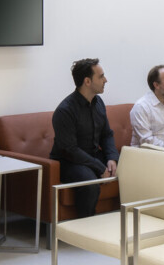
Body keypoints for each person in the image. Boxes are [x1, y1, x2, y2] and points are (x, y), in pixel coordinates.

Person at [50, 58, 118, 218]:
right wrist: (99, 167)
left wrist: (111, 159)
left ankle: (126, 218)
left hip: (93, 155)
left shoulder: (98, 102)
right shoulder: (65, 110)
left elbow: (106, 134)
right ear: (87, 81)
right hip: (69, 161)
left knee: (131, 165)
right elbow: (70, 150)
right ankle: (86, 226)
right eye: (101, 76)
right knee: (89, 184)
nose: (105, 80)